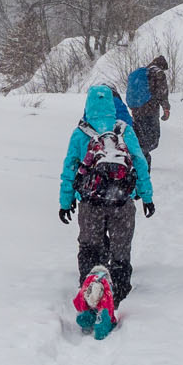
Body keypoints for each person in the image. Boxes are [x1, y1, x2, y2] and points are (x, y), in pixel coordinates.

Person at [58, 83, 155, 305]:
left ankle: (91, 293)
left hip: (91, 203)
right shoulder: (124, 130)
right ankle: (118, 297)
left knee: (91, 249)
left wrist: (66, 201)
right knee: (120, 251)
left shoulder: (81, 132)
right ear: (112, 104)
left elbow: (69, 168)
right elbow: (139, 163)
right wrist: (146, 197)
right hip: (122, 202)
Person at [124, 55, 173, 170]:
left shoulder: (142, 72)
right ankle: (141, 159)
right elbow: (162, 93)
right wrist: (166, 108)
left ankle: (137, 157)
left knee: (140, 135)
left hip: (137, 110)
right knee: (152, 138)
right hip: (150, 109)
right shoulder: (158, 73)